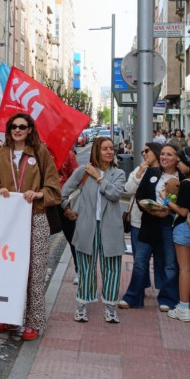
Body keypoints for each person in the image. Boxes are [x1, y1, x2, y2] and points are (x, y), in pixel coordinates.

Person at [0, 113, 60, 341]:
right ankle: (9, 317)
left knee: (35, 272)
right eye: (13, 126)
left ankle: (34, 322)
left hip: (36, 218)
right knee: (8, 270)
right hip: (9, 222)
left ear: (29, 130)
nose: (17, 130)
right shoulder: (0, 155)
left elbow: (54, 187)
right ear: (9, 130)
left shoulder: (40, 153)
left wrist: (39, 193)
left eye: (22, 126)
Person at [61, 137, 127, 324]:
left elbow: (115, 194)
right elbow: (64, 192)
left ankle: (110, 308)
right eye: (104, 148)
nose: (109, 152)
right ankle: (81, 305)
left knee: (112, 269)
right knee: (86, 269)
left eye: (111, 148)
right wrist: (67, 209)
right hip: (86, 226)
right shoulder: (83, 171)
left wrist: (98, 177)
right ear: (96, 150)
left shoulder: (118, 173)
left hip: (111, 227)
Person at [127, 143, 182, 312]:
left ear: (177, 158)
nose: (164, 157)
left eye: (169, 154)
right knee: (140, 261)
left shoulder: (182, 177)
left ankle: (168, 299)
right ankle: (133, 297)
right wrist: (150, 208)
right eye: (163, 153)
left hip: (170, 224)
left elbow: (186, 203)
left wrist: (170, 210)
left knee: (169, 263)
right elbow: (140, 196)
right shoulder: (151, 172)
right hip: (149, 222)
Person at [117, 142, 167, 310]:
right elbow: (128, 188)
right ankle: (137, 292)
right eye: (142, 151)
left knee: (162, 260)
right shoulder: (140, 170)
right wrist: (139, 172)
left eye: (147, 151)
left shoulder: (166, 171)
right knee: (139, 260)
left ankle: (164, 295)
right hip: (139, 221)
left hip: (162, 222)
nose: (144, 154)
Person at [165, 146, 190, 322]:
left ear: (189, 162)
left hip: (184, 227)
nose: (178, 165)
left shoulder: (187, 184)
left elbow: (182, 211)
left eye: (180, 162)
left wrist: (166, 200)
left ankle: (183, 308)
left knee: (185, 269)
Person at [57, 146, 80, 283]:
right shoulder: (38, 153)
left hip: (64, 202)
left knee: (73, 237)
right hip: (45, 201)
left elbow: (76, 178)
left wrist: (68, 203)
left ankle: (79, 270)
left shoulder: (69, 154)